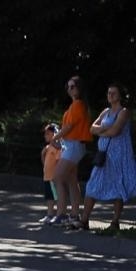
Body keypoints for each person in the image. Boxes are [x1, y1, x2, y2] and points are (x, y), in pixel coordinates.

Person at [80, 83, 133, 234]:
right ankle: (84, 220)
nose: (110, 95)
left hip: (119, 156)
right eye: (109, 93)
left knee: (118, 186)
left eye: (114, 93)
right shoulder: (106, 112)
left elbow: (115, 131)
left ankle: (115, 221)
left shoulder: (124, 112)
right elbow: (91, 128)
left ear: (120, 95)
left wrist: (101, 131)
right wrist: (104, 129)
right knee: (92, 185)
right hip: (104, 154)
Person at [46, 76, 92, 225]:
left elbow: (69, 127)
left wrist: (55, 138)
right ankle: (74, 215)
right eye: (68, 86)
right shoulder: (76, 105)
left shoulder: (78, 104)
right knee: (72, 180)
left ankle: (62, 214)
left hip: (73, 145)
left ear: (80, 88)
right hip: (72, 145)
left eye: (73, 86)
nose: (69, 89)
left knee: (57, 177)